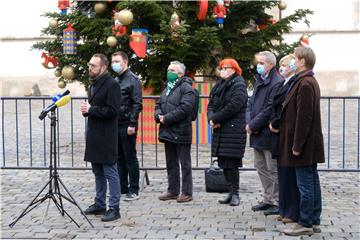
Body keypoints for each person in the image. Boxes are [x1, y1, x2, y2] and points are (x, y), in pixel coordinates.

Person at [281, 47, 325, 236]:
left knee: (305, 184)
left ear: (302, 62)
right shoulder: (305, 81)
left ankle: (306, 222)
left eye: (295, 59)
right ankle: (313, 220)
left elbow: (303, 118)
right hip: (308, 143)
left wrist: (297, 145)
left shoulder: (305, 83)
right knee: (311, 181)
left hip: (304, 144)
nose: (292, 62)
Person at [81, 53, 122, 222]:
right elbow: (94, 108)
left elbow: (113, 111)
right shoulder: (93, 84)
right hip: (94, 135)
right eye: (89, 65)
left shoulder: (112, 85)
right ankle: (99, 204)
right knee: (97, 171)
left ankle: (114, 207)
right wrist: (87, 111)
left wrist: (91, 110)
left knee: (110, 172)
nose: (90, 68)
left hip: (106, 136)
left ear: (103, 68)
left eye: (94, 65)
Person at [246, 51, 283, 215]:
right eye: (258, 62)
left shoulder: (277, 82)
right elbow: (251, 103)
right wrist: (249, 122)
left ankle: (277, 201)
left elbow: (269, 108)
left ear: (270, 64)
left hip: (267, 131)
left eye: (261, 63)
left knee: (272, 168)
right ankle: (268, 199)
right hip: (256, 131)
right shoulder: (259, 80)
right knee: (261, 167)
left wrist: (253, 124)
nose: (258, 66)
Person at [207, 58, 248, 206]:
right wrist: (211, 118)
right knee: (224, 162)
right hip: (221, 129)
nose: (223, 70)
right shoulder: (220, 85)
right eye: (222, 67)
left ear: (235, 69)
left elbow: (234, 106)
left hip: (233, 130)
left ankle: (236, 193)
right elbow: (211, 103)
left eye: (227, 68)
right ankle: (230, 192)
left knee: (232, 163)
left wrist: (216, 118)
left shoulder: (238, 84)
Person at [154, 61, 195, 203]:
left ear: (180, 74)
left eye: (172, 70)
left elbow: (185, 108)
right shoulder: (167, 88)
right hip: (167, 130)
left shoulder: (187, 88)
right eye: (168, 69)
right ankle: (172, 190)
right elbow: (159, 104)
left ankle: (187, 192)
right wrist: (158, 115)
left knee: (184, 163)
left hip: (181, 130)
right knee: (171, 162)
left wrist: (167, 118)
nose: (168, 72)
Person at [269, 54, 299, 224]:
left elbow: (284, 108)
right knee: (282, 172)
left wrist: (276, 122)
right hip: (277, 130)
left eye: (285, 66)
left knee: (288, 174)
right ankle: (284, 208)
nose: (282, 69)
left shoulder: (293, 83)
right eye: (281, 66)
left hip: (283, 130)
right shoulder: (284, 83)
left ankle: (290, 211)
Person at [111, 51, 143, 201]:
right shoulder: (116, 79)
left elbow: (137, 104)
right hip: (115, 123)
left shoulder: (133, 80)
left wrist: (132, 123)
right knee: (119, 157)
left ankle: (134, 188)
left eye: (117, 61)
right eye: (112, 61)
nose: (114, 64)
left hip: (127, 124)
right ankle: (122, 186)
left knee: (130, 157)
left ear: (125, 62)